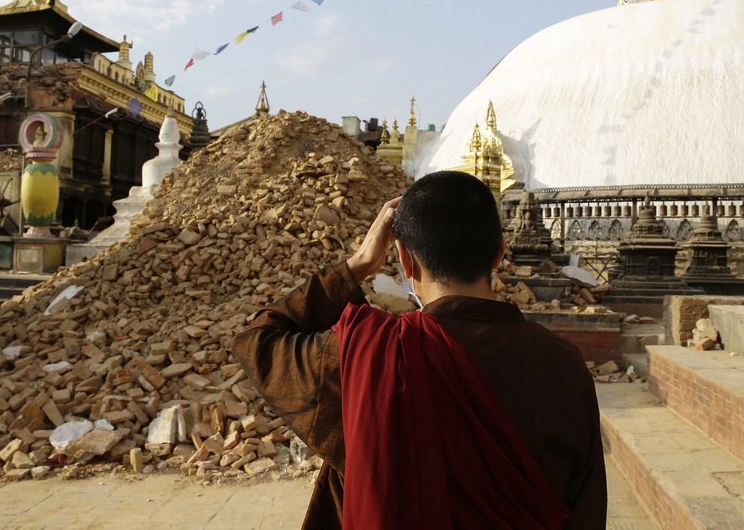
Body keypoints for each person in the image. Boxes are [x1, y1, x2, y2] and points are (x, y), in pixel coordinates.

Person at [232, 171, 606, 530]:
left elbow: (256, 340)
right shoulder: (565, 365)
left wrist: (358, 265)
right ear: (500, 253)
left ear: (405, 260)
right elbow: (586, 511)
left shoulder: (366, 358)